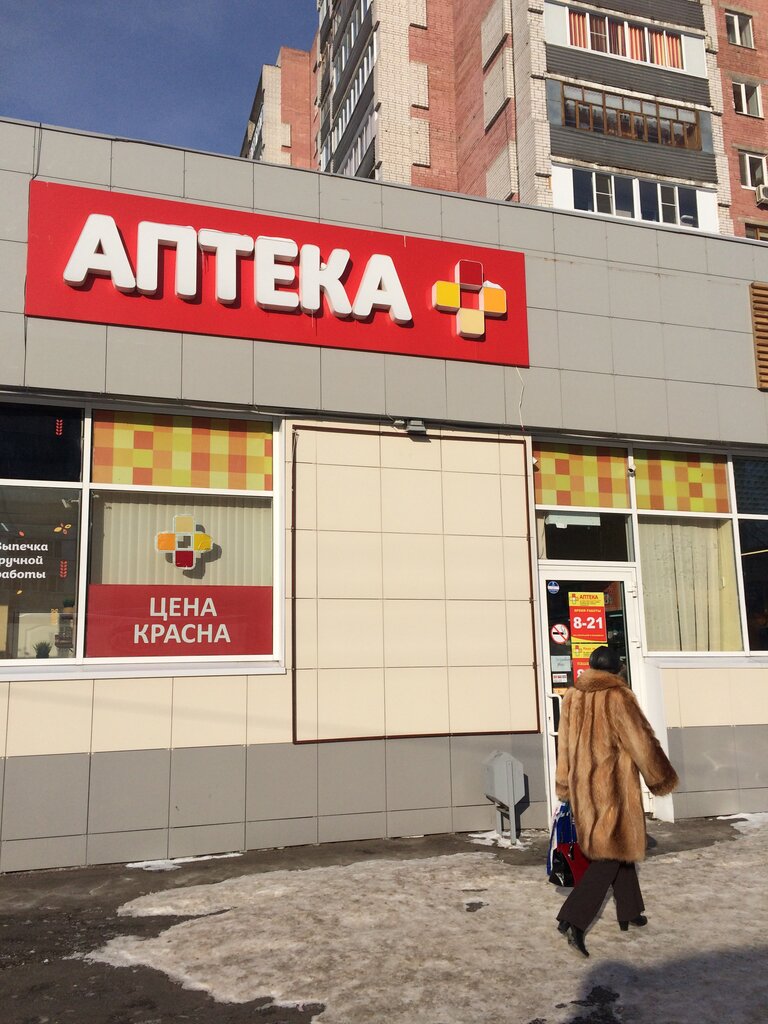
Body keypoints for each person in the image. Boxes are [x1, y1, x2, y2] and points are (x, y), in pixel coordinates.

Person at [555, 645, 679, 958]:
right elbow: (640, 742)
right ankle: (573, 919)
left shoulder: (573, 696)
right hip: (613, 788)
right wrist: (660, 778)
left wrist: (564, 783)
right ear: (616, 669)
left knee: (620, 846)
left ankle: (630, 911)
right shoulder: (618, 696)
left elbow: (564, 746)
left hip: (584, 789)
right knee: (610, 855)